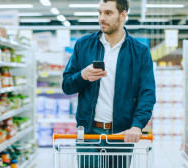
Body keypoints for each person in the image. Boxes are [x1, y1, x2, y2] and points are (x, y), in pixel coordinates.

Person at [62, 0, 156, 167]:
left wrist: (137, 126)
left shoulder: (140, 52)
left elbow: (147, 94)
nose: (101, 18)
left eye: (108, 13)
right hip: (89, 133)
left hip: (121, 133)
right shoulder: (83, 45)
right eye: (99, 12)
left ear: (123, 15)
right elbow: (67, 86)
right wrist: (82, 76)